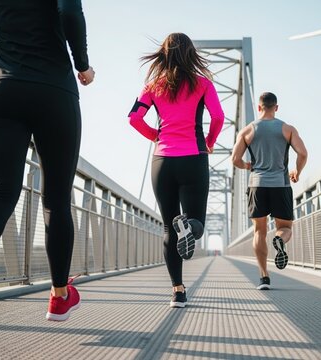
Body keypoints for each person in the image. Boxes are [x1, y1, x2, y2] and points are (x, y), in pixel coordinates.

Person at [0, 0, 94, 351]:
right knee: (57, 200)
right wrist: (83, 65)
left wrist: (6, 48)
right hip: (54, 91)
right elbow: (71, 13)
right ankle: (60, 295)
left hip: (2, 91)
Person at [128, 33, 224, 308]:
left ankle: (178, 291)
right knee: (196, 224)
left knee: (169, 229)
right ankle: (188, 225)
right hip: (193, 157)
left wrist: (155, 136)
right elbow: (217, 117)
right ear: (191, 54)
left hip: (162, 162)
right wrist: (209, 142)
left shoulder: (152, 86)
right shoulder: (204, 84)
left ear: (164, 55)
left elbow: (134, 117)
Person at [231, 92, 307, 290]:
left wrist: (249, 166)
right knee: (286, 228)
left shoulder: (247, 130)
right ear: (276, 107)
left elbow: (235, 160)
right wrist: (296, 171)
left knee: (259, 231)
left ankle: (264, 277)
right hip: (280, 185)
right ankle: (279, 240)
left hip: (257, 185)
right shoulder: (287, 129)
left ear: (259, 108)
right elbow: (303, 153)